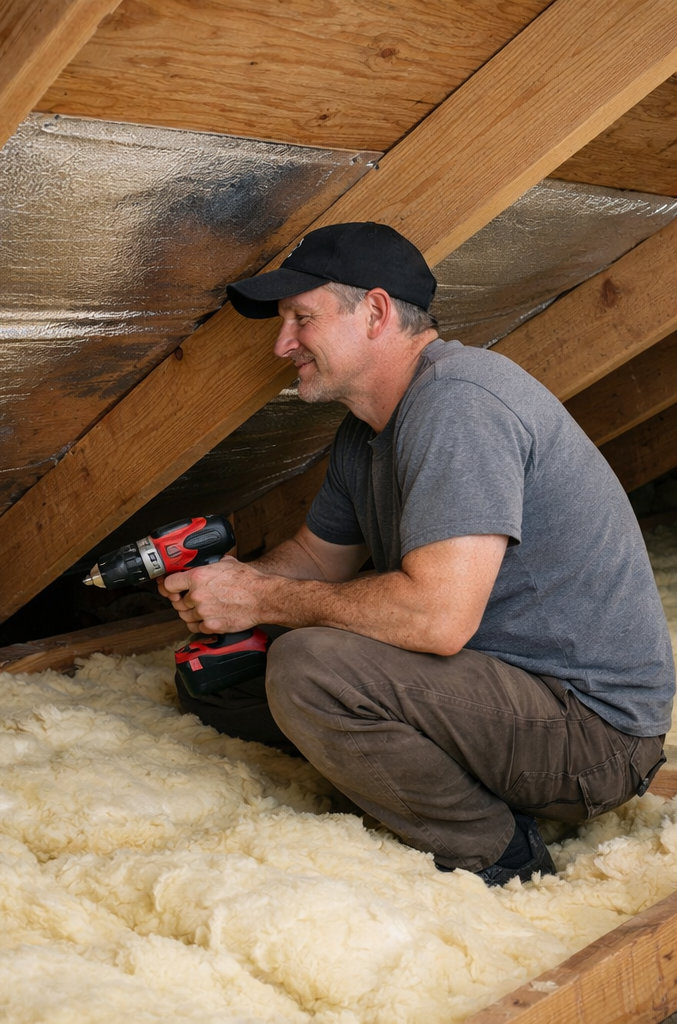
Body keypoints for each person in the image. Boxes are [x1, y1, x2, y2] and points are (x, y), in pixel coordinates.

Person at [161, 221, 674, 885]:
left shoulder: (459, 403)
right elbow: (317, 561)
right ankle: (443, 784)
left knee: (309, 667)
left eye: (300, 319)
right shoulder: (364, 433)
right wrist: (226, 584)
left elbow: (438, 619)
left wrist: (260, 599)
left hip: (591, 737)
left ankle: (499, 853)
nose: (282, 344)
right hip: (503, 691)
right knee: (220, 681)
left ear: (374, 312)